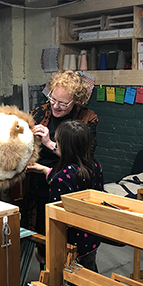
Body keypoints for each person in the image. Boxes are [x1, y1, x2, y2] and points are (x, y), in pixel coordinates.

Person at [26, 119, 103, 286]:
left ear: (65, 147)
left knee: (74, 281)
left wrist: (45, 249)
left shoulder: (61, 178)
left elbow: (56, 218)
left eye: (57, 143)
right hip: (91, 238)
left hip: (71, 244)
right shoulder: (93, 166)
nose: (55, 145)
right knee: (89, 276)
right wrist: (45, 170)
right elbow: (73, 180)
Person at [21, 70, 98, 237]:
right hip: (39, 180)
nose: (55, 106)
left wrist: (49, 143)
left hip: (68, 185)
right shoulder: (39, 113)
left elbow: (84, 159)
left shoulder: (87, 119)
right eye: (53, 99)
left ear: (76, 101)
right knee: (39, 233)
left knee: (62, 236)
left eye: (63, 103)